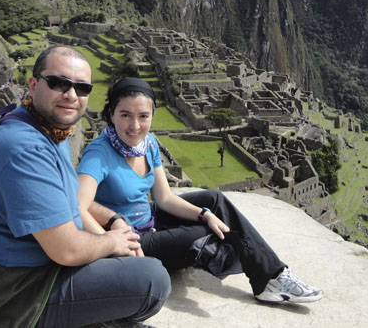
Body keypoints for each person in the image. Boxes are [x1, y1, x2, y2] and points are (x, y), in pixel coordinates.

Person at [0, 48, 171, 327]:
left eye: (82, 88)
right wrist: (113, 241)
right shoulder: (25, 150)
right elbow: (67, 250)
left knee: (132, 267)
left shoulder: (47, 131)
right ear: (33, 84)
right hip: (7, 290)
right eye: (59, 83)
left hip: (27, 267)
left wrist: (113, 220)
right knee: (152, 281)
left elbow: (73, 198)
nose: (71, 95)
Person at [77, 77, 323, 305]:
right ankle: (228, 259)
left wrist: (204, 213)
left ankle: (272, 276)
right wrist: (108, 243)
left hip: (150, 218)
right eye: (125, 115)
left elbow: (164, 199)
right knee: (206, 233)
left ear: (152, 115)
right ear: (111, 114)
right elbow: (77, 205)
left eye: (143, 116)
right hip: (131, 239)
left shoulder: (148, 143)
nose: (135, 125)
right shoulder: (99, 154)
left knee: (213, 201)